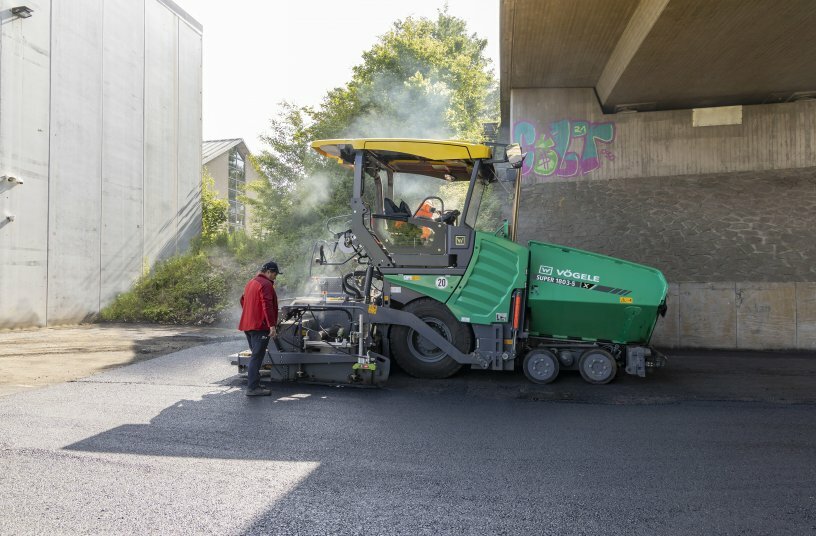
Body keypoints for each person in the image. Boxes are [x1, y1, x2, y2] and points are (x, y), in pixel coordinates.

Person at [238, 261, 281, 396]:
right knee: (256, 357)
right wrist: (272, 325)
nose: (275, 277)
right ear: (269, 272)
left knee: (255, 355)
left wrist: (250, 315)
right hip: (259, 326)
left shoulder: (251, 282)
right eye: (275, 274)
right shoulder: (266, 284)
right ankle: (252, 388)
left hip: (248, 325)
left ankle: (254, 383)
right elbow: (266, 305)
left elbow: (242, 300)